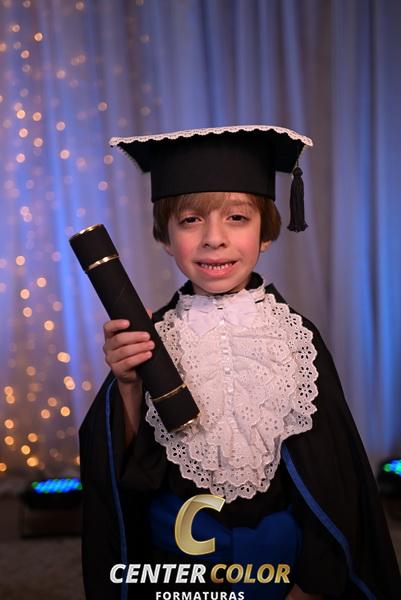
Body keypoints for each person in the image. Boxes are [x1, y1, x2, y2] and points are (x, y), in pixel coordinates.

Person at [79, 126, 401, 600]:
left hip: (282, 566)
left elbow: (330, 472)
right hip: (178, 568)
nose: (214, 239)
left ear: (265, 232)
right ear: (165, 237)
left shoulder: (295, 337)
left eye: (236, 218)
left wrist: (313, 582)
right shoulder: (154, 336)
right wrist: (127, 383)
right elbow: (130, 474)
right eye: (190, 220)